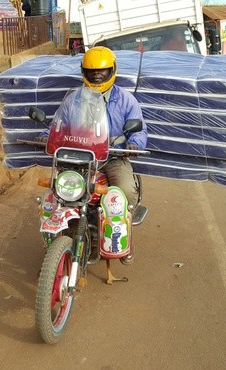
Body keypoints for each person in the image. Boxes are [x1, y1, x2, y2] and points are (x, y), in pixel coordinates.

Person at [38, 46, 148, 264]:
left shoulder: (127, 100)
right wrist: (45, 136)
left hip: (113, 158)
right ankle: (61, 245)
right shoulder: (72, 99)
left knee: (124, 191)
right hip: (80, 158)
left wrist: (135, 144)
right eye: (91, 71)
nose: (97, 74)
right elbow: (59, 123)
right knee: (60, 194)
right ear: (84, 72)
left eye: (102, 70)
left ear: (112, 70)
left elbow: (140, 128)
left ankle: (124, 241)